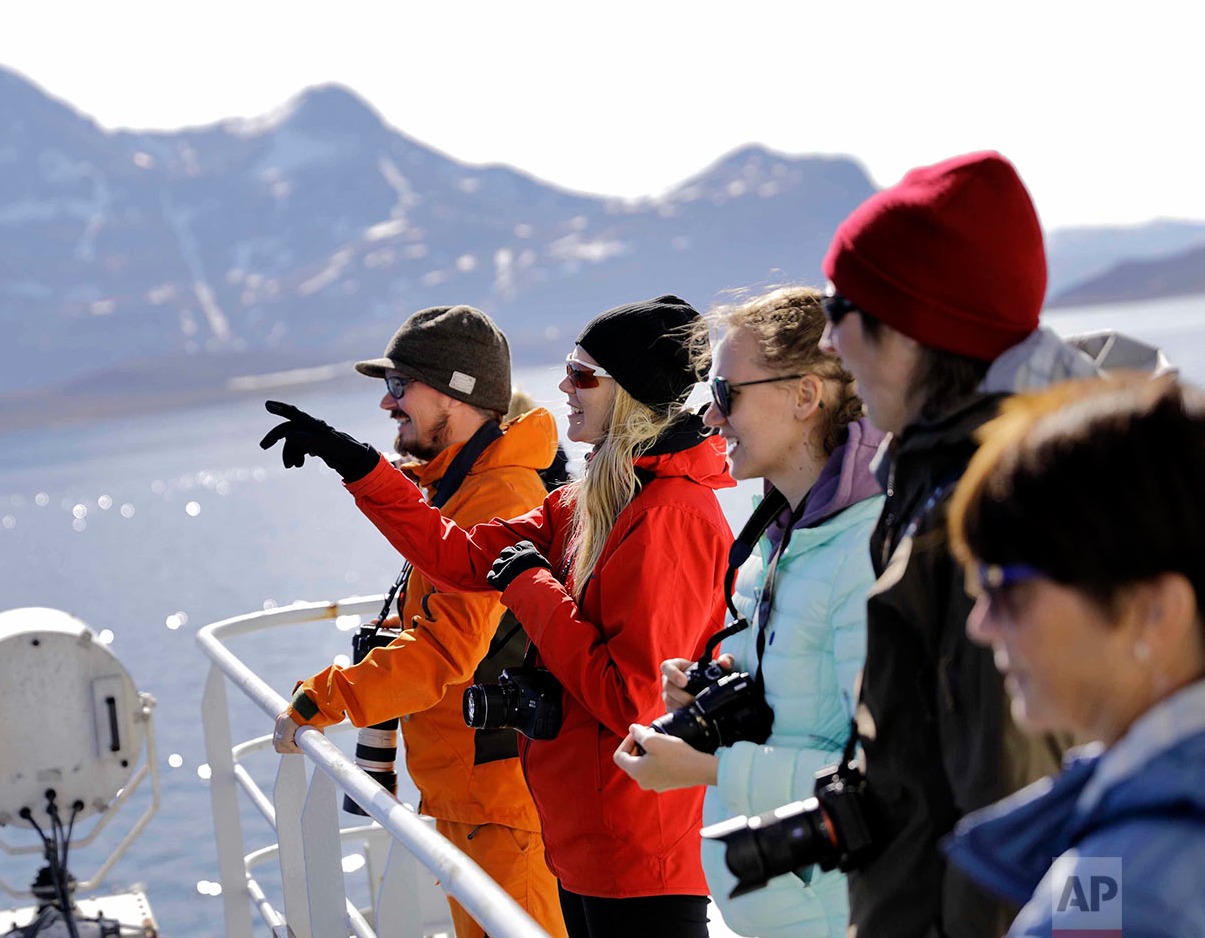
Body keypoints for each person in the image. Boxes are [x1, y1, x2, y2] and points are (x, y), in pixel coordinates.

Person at [262, 295, 735, 938]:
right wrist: (357, 465)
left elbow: (633, 698)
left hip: (636, 842)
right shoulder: (588, 501)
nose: (562, 385)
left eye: (583, 374)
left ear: (628, 394)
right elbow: (459, 556)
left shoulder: (671, 515)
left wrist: (530, 584)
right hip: (580, 831)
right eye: (569, 367)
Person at [816, 150, 1073, 937]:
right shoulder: (936, 482)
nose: (828, 342)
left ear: (908, 331)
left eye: (839, 307)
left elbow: (1013, 812)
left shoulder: (984, 514)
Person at [267, 305, 567, 938]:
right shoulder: (465, 484)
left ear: (455, 393)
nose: (386, 403)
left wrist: (326, 697)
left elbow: (445, 651)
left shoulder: (500, 494)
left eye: (400, 386)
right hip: (473, 798)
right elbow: (428, 513)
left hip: (502, 807)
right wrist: (357, 463)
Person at [613, 286, 881, 937]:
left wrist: (706, 768)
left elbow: (877, 786)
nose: (710, 419)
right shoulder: (778, 536)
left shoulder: (866, 553)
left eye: (726, 394)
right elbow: (797, 704)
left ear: (804, 396)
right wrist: (712, 687)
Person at [942, 377, 1205, 936]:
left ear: (1154, 611)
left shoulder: (1128, 887)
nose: (981, 625)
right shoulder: (1133, 830)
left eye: (1005, 589)